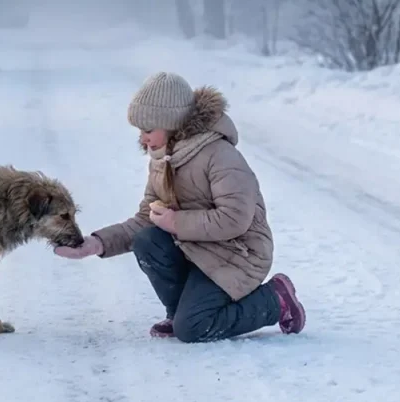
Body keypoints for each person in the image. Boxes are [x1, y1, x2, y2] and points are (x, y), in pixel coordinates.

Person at [53, 72, 306, 343]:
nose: (142, 139)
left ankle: (275, 299)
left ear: (171, 124)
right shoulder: (163, 159)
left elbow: (235, 219)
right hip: (197, 248)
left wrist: (176, 223)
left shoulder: (220, 156)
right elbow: (146, 219)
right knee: (148, 240)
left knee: (195, 327)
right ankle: (179, 312)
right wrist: (98, 243)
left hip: (238, 254)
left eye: (148, 130)